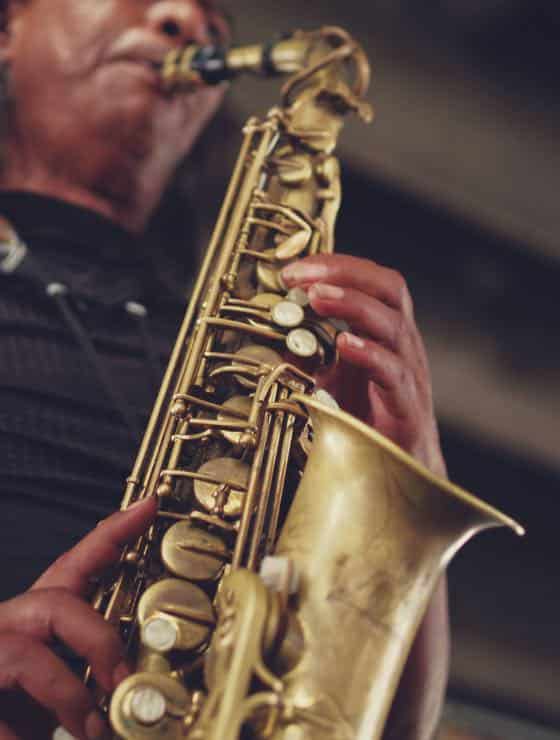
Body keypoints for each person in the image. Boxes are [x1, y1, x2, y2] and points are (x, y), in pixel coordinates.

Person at [0, 1, 449, 739]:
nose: (187, 18)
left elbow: (380, 722)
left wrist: (409, 464)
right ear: (8, 27)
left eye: (217, 18)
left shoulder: (254, 356)